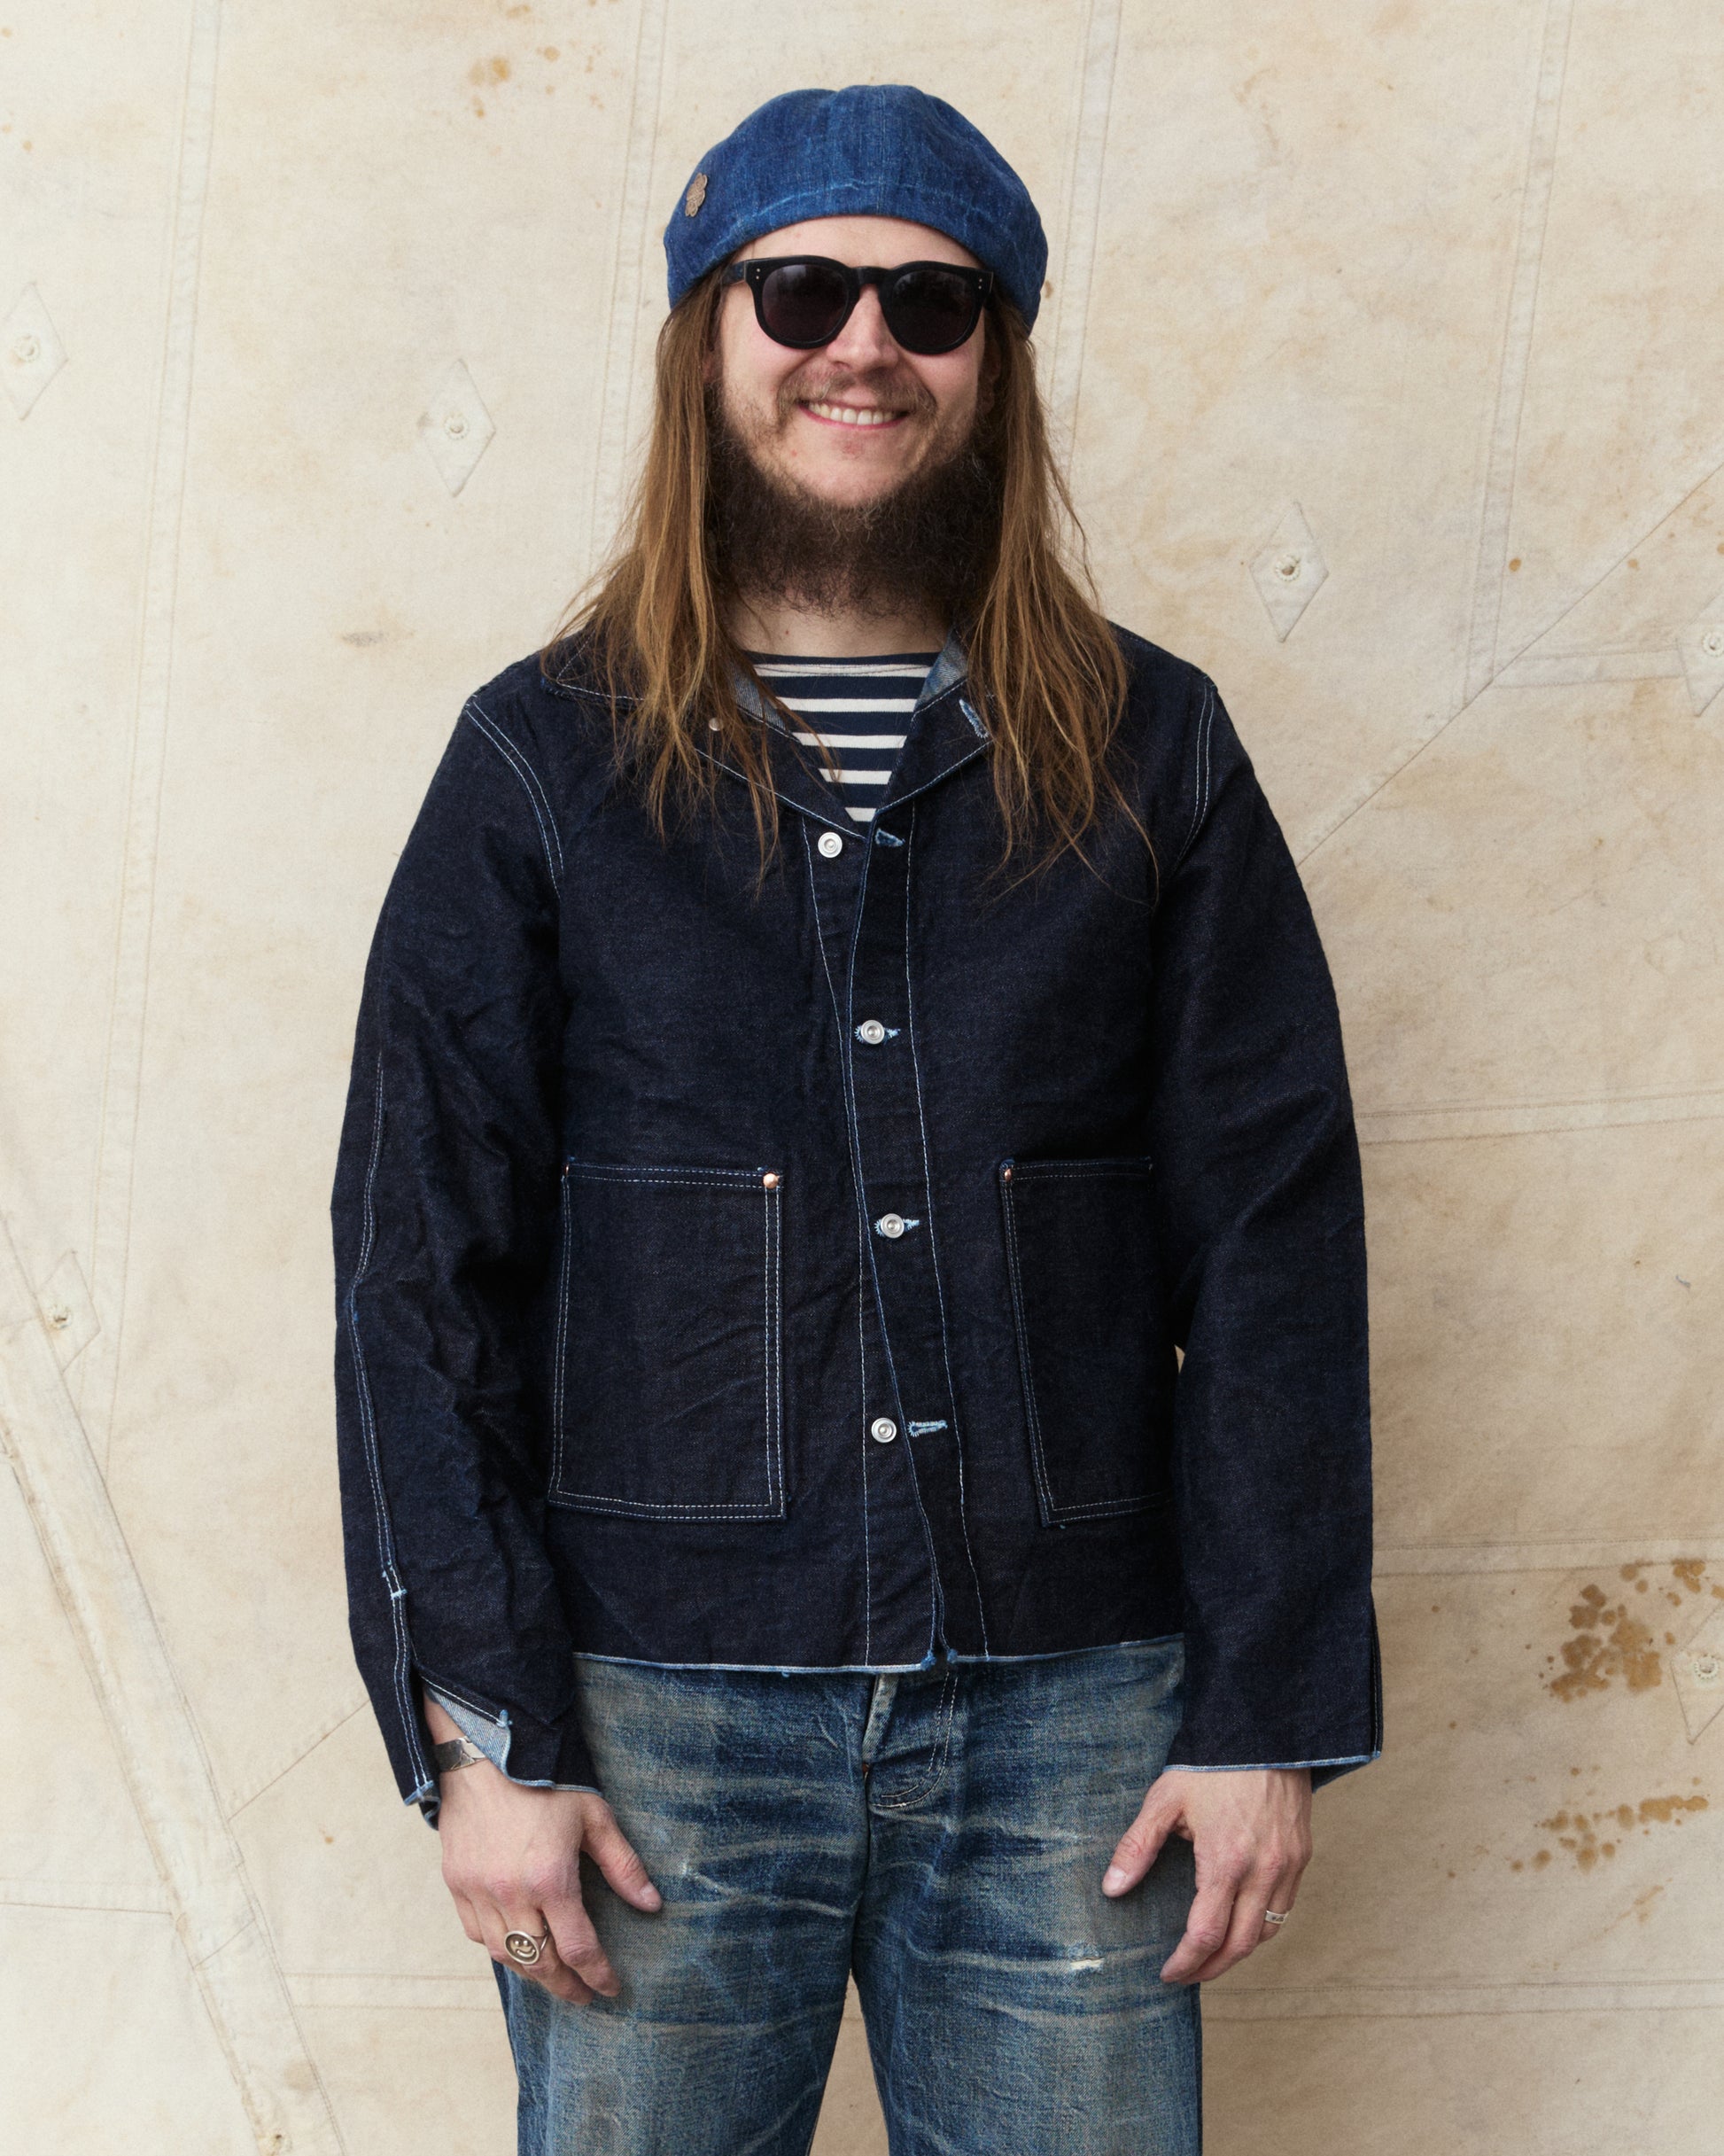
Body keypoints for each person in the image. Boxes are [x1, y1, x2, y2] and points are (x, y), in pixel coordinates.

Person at [331, 82, 1381, 2156]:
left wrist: (1265, 1704)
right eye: (801, 290)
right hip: (646, 1719)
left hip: (1076, 1723)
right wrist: (486, 1730)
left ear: (996, 362)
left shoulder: (1154, 751)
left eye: (932, 301)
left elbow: (1273, 1236)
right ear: (706, 341)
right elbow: (417, 1275)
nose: (864, 345)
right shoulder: (538, 763)